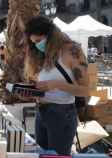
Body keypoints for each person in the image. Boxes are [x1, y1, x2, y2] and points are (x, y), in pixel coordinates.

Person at [23, 16, 90, 155]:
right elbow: (45, 84)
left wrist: (56, 84)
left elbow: (86, 90)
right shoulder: (42, 54)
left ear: (50, 36)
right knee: (41, 155)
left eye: (39, 41)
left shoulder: (72, 51)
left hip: (62, 114)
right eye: (33, 43)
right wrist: (30, 90)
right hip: (41, 112)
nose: (37, 45)